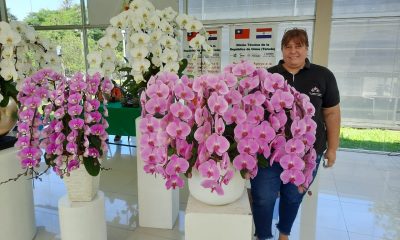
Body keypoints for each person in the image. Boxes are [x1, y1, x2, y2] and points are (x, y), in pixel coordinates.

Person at [250, 28, 341, 240]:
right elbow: (253, 114)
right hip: (269, 152)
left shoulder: (323, 76)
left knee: (293, 195)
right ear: (281, 49)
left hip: (306, 153)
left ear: (306, 48)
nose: (293, 51)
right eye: (288, 46)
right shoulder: (267, 77)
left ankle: (284, 233)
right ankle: (263, 235)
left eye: (298, 46)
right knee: (263, 196)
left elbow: (332, 113)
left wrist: (333, 148)